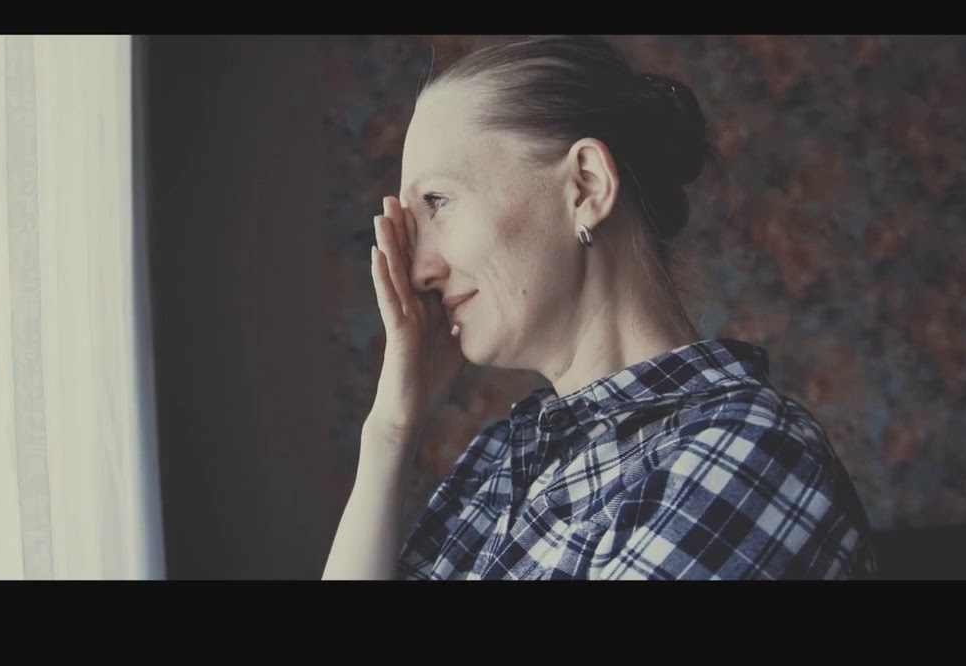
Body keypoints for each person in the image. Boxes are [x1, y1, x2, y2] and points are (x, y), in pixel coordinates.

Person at [322, 35, 878, 580]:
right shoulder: (498, 461)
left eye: (438, 201)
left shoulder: (751, 456)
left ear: (587, 186)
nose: (419, 270)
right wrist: (390, 431)